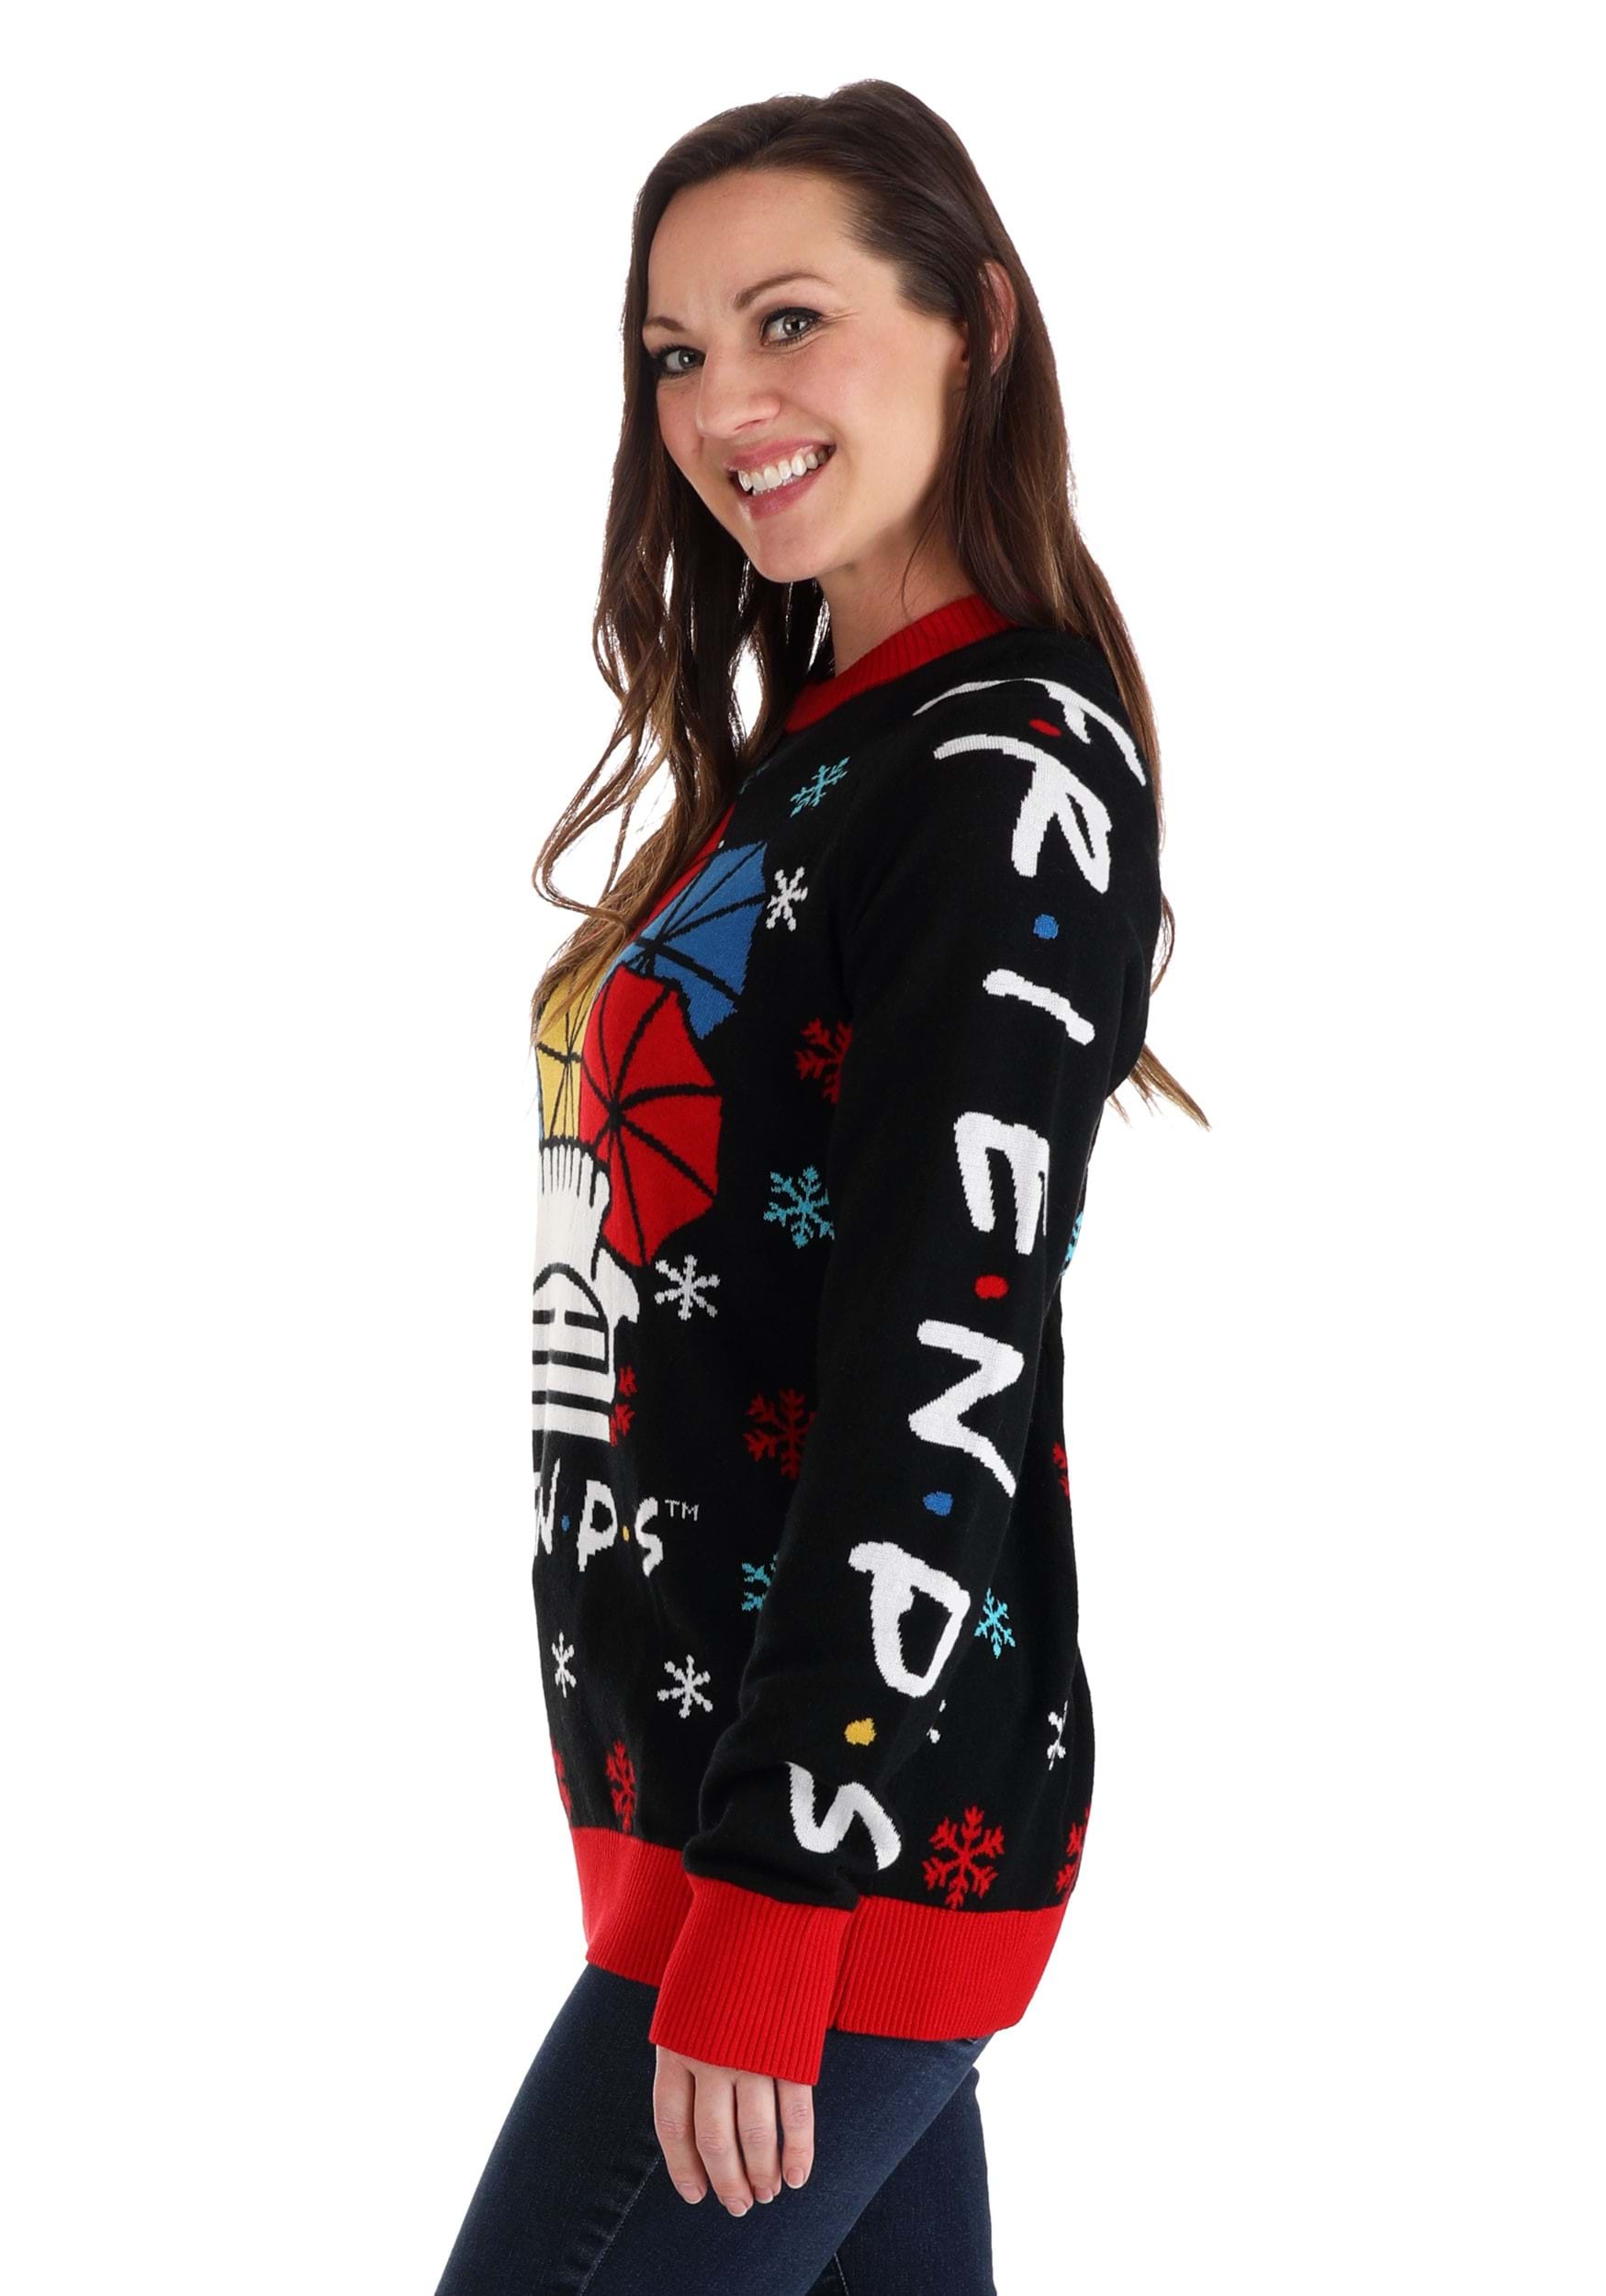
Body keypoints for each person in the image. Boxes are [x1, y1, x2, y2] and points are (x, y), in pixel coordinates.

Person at [435, 75, 1206, 2296]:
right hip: (718, 1804)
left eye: (789, 322)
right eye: (674, 352)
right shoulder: (828, 747)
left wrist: (777, 1883)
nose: (719, 406)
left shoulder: (1000, 766)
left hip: (823, 1842)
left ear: (974, 320)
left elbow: (938, 1353)